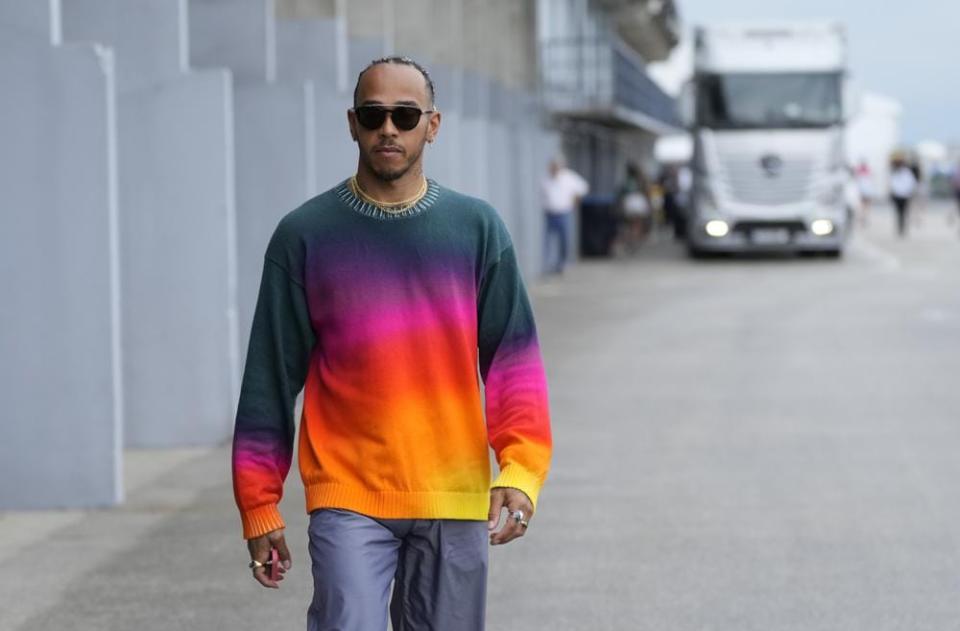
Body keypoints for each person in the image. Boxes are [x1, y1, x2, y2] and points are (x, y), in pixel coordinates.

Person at [233, 56, 552, 631]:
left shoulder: (477, 228)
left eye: (405, 116)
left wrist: (520, 472)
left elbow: (513, 360)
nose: (389, 129)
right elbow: (269, 379)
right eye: (374, 115)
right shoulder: (304, 234)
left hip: (454, 493)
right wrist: (259, 503)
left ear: (432, 125)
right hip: (348, 493)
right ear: (351, 123)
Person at [540, 156, 588, 274]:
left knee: (564, 240)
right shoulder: (545, 179)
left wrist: (575, 201)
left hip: (564, 213)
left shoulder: (568, 177)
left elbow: (583, 187)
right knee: (548, 241)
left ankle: (562, 264)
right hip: (550, 214)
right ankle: (548, 265)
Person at [616, 161, 653, 252]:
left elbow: (621, 193)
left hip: (629, 203)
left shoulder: (626, 180)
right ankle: (634, 239)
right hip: (639, 202)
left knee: (629, 224)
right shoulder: (641, 180)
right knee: (637, 224)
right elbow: (646, 192)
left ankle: (629, 239)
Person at [889, 156, 918, 238]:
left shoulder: (906, 172)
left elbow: (911, 183)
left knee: (903, 212)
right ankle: (900, 228)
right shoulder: (895, 172)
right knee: (899, 212)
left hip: (904, 195)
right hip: (898, 195)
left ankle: (903, 228)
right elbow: (892, 184)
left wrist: (909, 192)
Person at [854, 159, 875, 227]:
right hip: (865, 192)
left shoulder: (860, 174)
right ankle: (863, 218)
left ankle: (863, 218)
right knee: (864, 207)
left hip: (864, 192)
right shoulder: (865, 175)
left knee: (864, 207)